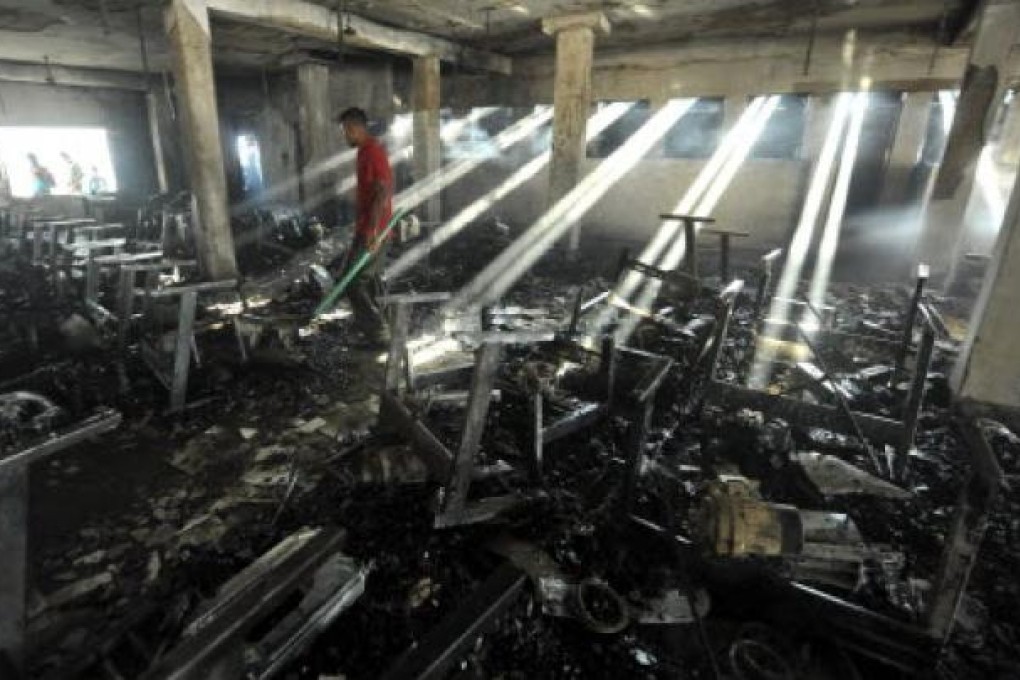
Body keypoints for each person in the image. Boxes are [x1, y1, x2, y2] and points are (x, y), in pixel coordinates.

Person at [335, 107, 394, 346]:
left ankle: (378, 329)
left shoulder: (373, 152)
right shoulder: (364, 152)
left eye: (346, 131)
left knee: (351, 281)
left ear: (355, 128)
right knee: (365, 281)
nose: (345, 136)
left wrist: (372, 231)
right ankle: (373, 331)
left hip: (374, 231)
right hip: (368, 228)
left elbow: (382, 192)